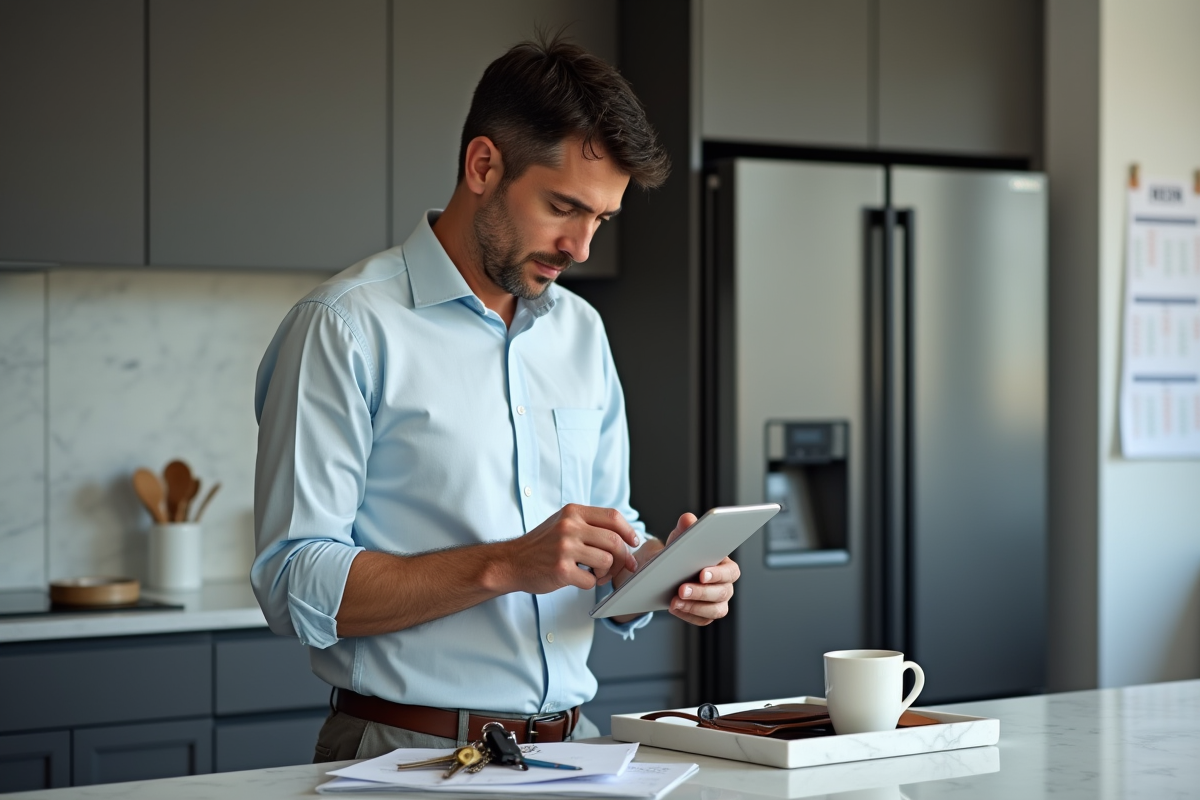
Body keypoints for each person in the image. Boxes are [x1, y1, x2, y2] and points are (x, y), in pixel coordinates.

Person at [251, 33, 741, 762]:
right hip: (402, 754)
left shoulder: (581, 331)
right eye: (563, 207)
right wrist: (507, 564)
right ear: (483, 165)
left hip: (575, 753)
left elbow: (606, 532)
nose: (581, 247)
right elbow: (294, 580)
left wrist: (654, 570)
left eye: (600, 220)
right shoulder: (346, 327)